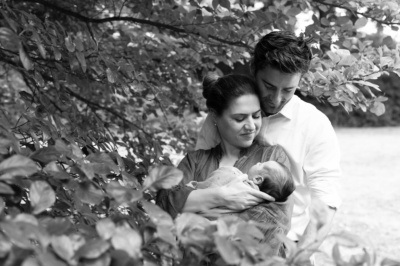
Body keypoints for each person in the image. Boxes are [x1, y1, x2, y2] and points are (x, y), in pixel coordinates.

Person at [195, 31, 342, 256]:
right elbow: (199, 176)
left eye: (288, 90)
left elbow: (326, 203)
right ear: (254, 69)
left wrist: (296, 259)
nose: (276, 99)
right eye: (269, 86)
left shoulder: (315, 125)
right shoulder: (222, 115)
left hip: (285, 249)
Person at [156, 73, 293, 256]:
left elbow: (275, 222)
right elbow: (165, 203)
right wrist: (223, 196)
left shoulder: (271, 157)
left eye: (256, 115)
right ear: (215, 116)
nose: (251, 126)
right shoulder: (195, 160)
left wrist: (195, 203)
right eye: (240, 118)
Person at [187, 161, 294, 203]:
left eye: (261, 164)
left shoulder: (235, 177)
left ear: (257, 179)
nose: (259, 162)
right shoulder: (256, 204)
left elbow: (214, 181)